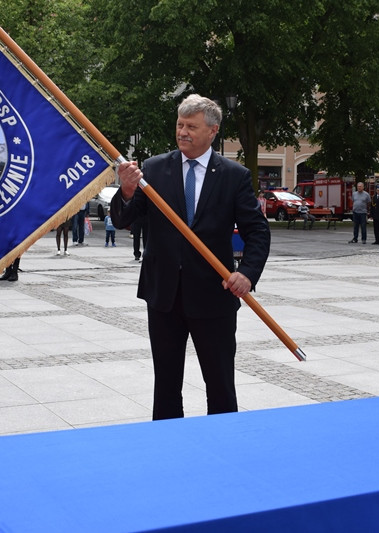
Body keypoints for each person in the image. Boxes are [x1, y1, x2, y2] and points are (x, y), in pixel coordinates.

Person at [110, 93, 270, 420]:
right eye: (180, 124)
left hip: (214, 295)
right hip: (164, 296)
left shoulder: (233, 175)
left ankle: (223, 444)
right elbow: (125, 220)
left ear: (212, 131)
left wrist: (247, 273)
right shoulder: (154, 169)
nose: (183, 132)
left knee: (220, 383)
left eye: (191, 126)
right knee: (166, 383)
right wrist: (126, 190)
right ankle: (169, 447)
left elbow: (258, 231)